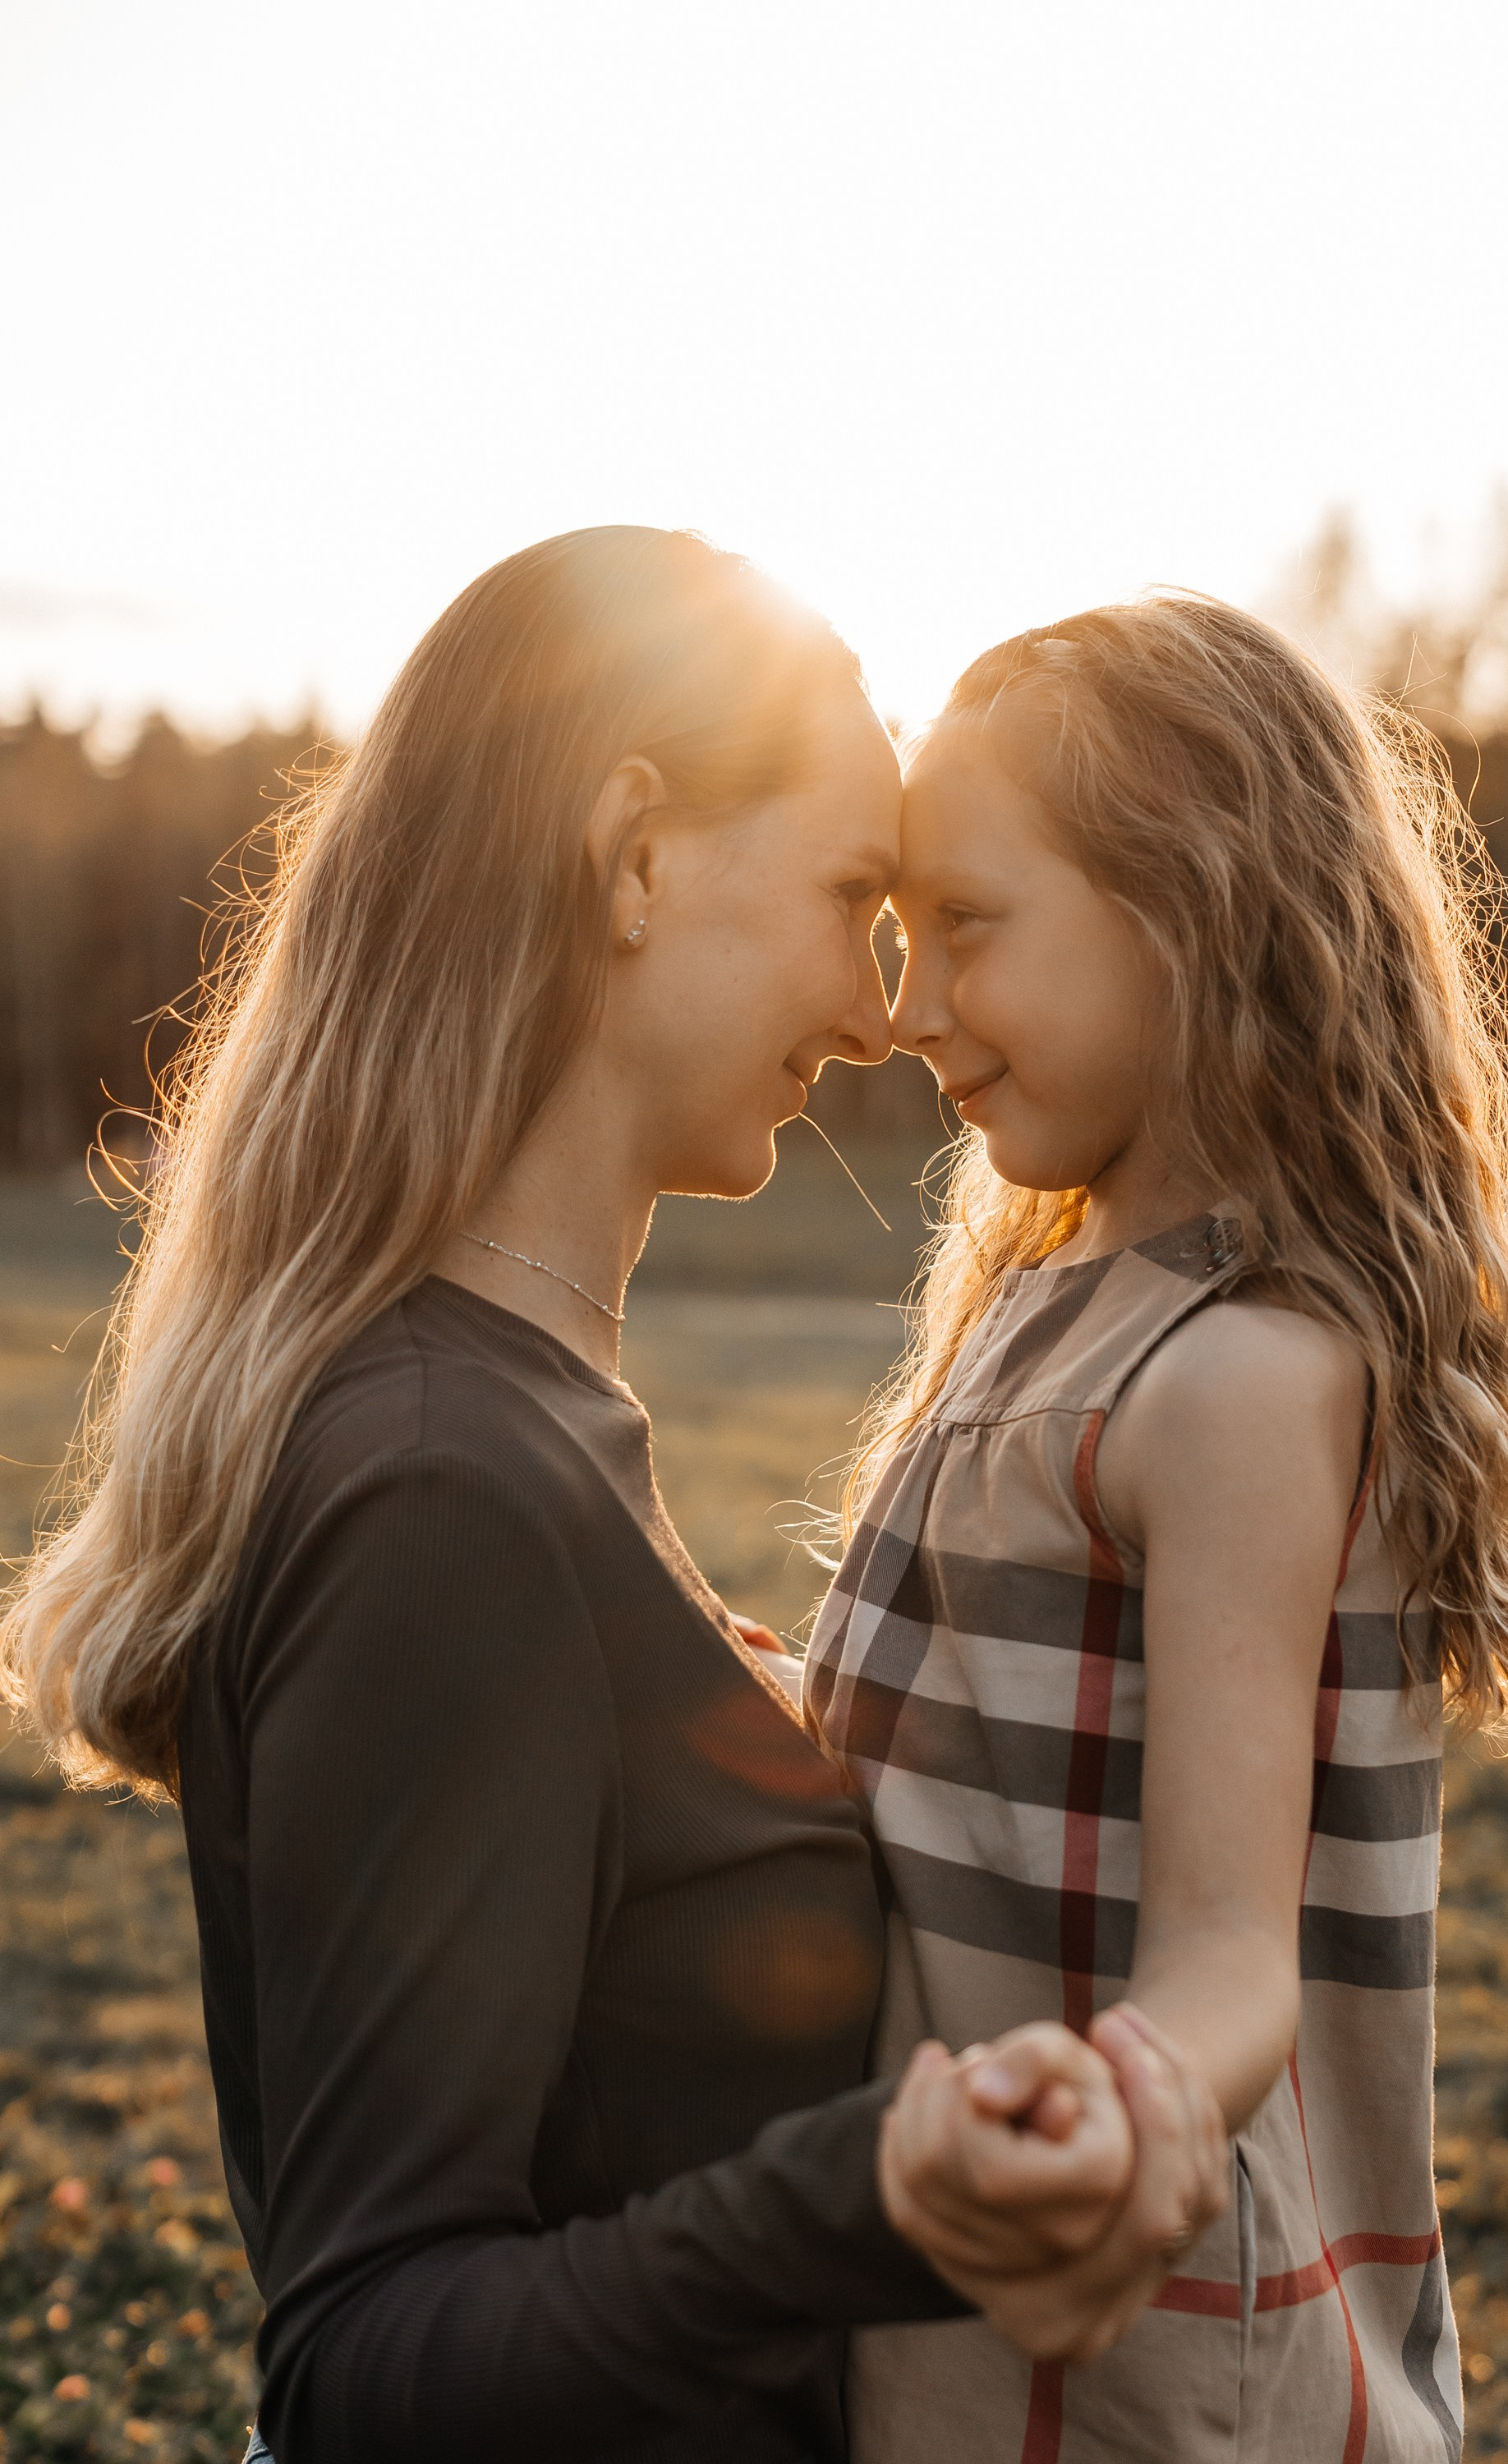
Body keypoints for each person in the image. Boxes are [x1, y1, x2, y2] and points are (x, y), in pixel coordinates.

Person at [0, 531, 1223, 2464]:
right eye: (849, 897)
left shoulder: (518, 1422)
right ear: (637, 859)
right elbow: (364, 2368)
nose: (879, 1008)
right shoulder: (438, 1489)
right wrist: (872, 2206)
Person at [807, 595, 1508, 2464]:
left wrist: (1132, 2099)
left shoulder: (1242, 1373)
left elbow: (1229, 1951)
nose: (907, 1006)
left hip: (1146, 2364)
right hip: (951, 2309)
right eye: (895, 935)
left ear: (1191, 907)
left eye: (969, 928)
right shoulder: (1048, 1296)